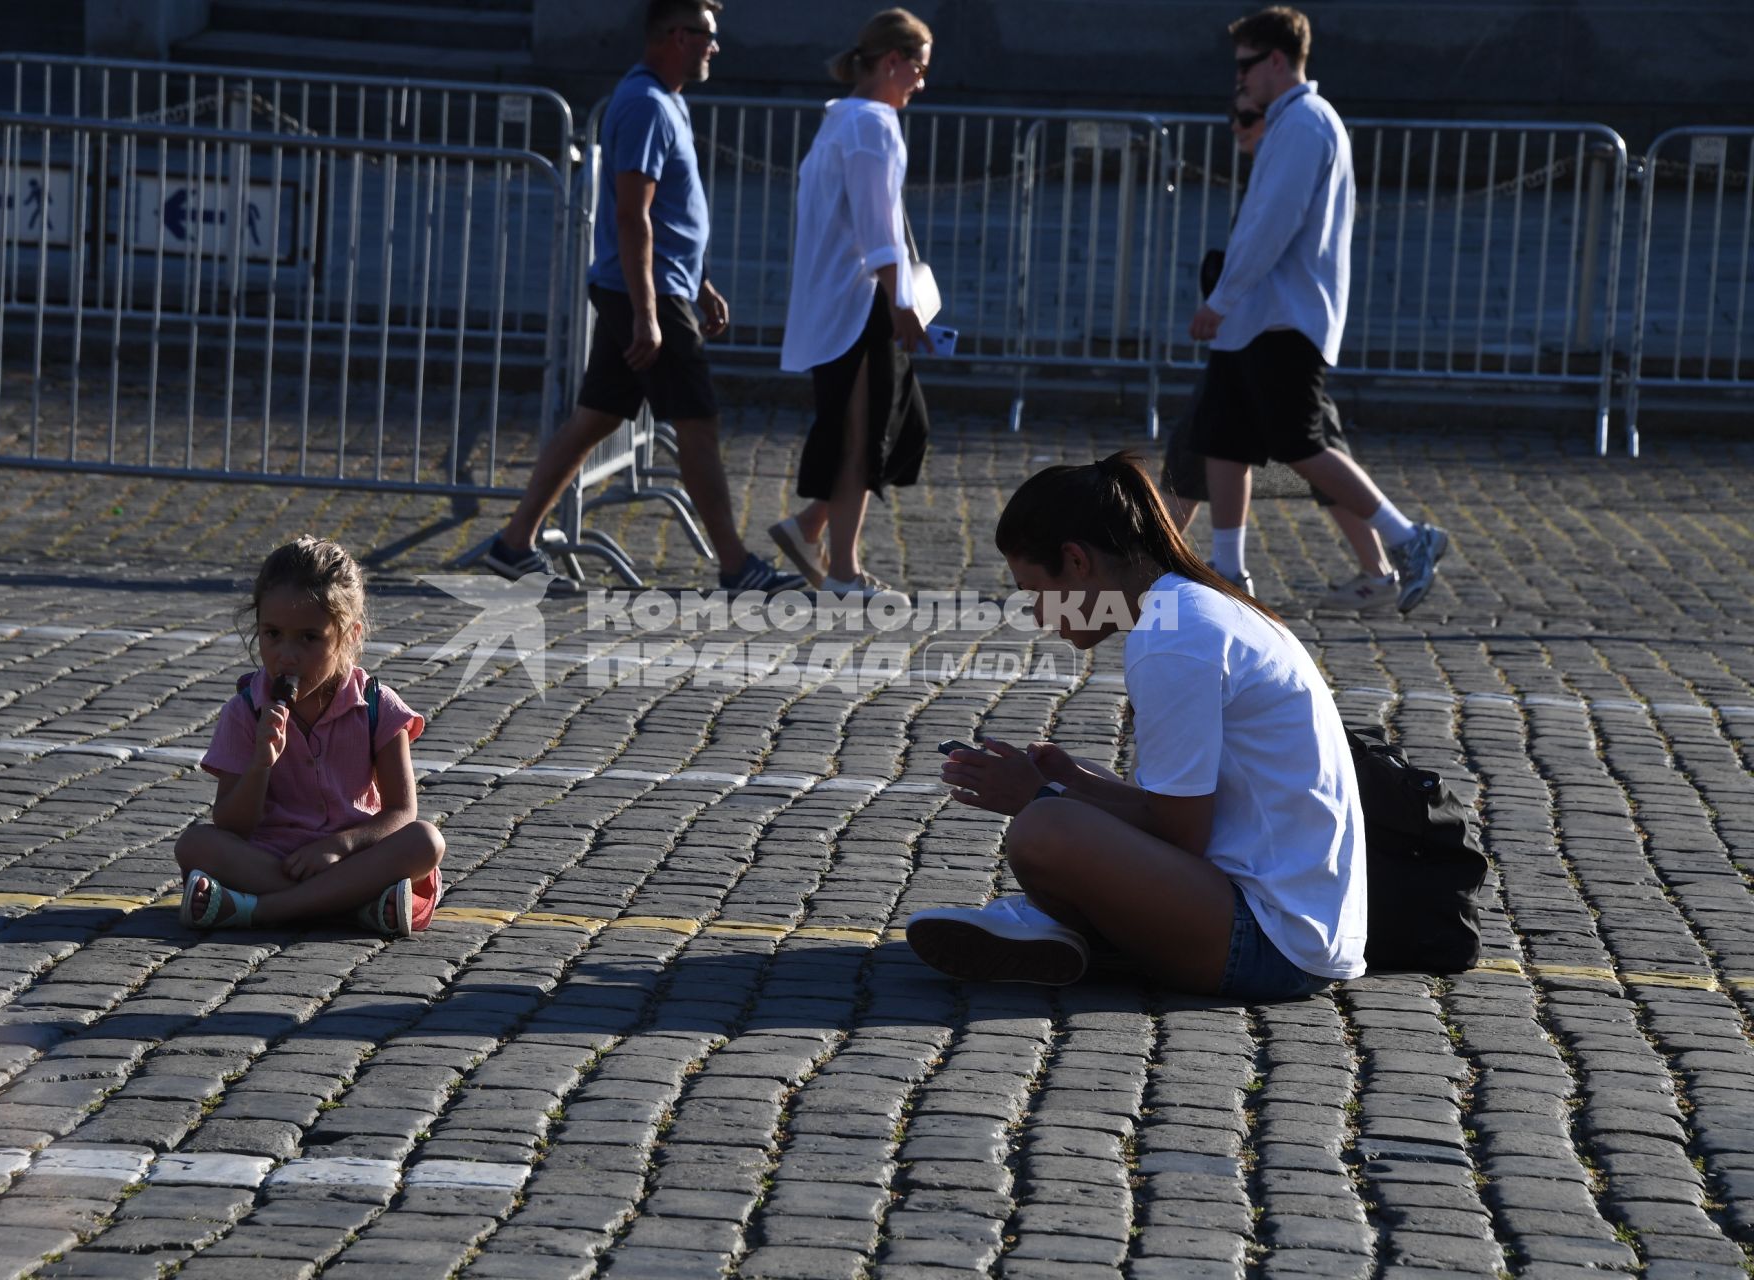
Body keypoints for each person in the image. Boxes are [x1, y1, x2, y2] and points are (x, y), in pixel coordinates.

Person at [906, 453, 1365, 1000]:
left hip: (1270, 943)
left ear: (1076, 562)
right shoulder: (1195, 607)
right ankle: (1065, 930)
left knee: (1044, 831)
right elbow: (1188, 814)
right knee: (1065, 804)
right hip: (1301, 926)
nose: (1035, 615)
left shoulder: (1173, 637)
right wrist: (1079, 783)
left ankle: (1063, 926)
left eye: (1034, 592)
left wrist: (1040, 796)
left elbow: (1181, 836)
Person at [473, 0, 802, 596]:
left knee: (595, 418)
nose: (715, 47)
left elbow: (669, 215)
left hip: (656, 286)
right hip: (646, 294)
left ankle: (512, 545)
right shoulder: (647, 104)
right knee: (697, 425)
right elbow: (632, 215)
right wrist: (650, 313)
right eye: (707, 35)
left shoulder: (664, 99)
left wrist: (699, 282)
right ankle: (736, 566)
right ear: (677, 36)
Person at [1187, 6, 1449, 614]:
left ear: (1277, 60)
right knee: (1222, 439)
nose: (1240, 80)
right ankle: (1229, 572)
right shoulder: (1287, 123)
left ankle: (1409, 539)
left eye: (1248, 65)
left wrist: (1220, 298)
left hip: (1283, 314)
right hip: (1257, 315)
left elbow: (1272, 224)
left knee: (1299, 442)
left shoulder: (1305, 123)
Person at [1160, 95, 1394, 612]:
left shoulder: (1298, 146)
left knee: (1297, 445)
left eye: (1246, 118)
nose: (1237, 128)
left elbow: (1270, 244)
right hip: (1257, 330)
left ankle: (1395, 551)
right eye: (1232, 118)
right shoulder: (1281, 160)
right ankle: (1185, 567)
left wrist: (1220, 301)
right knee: (1212, 442)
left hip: (1270, 330)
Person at [176, 536, 445, 937]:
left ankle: (263, 910)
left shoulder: (377, 705)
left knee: (426, 841)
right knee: (194, 845)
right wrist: (260, 764)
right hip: (274, 859)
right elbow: (232, 824)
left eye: (308, 638)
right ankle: (353, 905)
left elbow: (401, 812)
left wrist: (342, 846)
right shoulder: (245, 710)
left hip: (355, 856)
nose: (286, 654)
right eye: (272, 634)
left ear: (349, 635)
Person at [771, 8, 935, 598]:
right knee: (861, 434)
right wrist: (899, 300)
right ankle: (842, 569)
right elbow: (877, 226)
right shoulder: (871, 125)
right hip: (858, 302)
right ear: (892, 62)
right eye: (918, 67)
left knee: (894, 424)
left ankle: (811, 525)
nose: (921, 80)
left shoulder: (843, 120)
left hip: (844, 298)